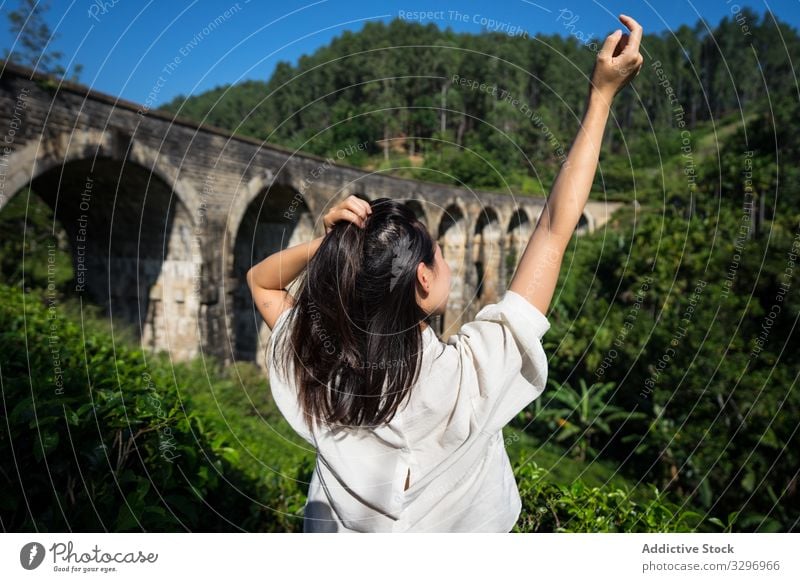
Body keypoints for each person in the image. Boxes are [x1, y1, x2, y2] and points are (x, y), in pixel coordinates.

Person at [246, 14, 644, 533]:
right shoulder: (472, 375)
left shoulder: (320, 368)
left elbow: (261, 281)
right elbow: (552, 229)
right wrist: (601, 98)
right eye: (438, 251)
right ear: (424, 280)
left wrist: (330, 246)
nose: (446, 258)